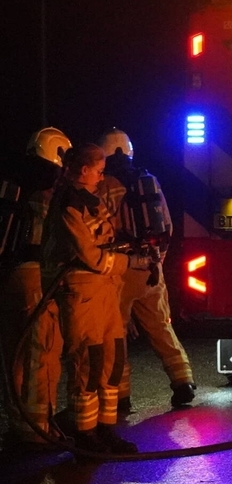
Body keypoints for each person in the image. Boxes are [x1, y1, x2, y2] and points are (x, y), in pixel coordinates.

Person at [45, 143, 140, 454]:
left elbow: (106, 244)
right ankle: (85, 435)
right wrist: (128, 263)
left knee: (112, 358)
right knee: (88, 362)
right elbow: (89, 255)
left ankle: (105, 428)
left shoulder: (91, 200)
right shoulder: (69, 205)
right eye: (98, 171)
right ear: (83, 171)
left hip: (104, 290)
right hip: (83, 292)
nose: (102, 177)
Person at [97, 128, 195, 412]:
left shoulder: (104, 186)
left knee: (115, 335)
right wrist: (157, 262)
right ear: (129, 151)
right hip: (151, 268)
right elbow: (167, 226)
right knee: (162, 327)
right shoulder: (149, 180)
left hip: (120, 270)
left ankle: (121, 397)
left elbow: (102, 234)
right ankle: (183, 382)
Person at [0, 128, 67, 448]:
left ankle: (17, 423)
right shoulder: (49, 188)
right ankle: (37, 428)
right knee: (41, 352)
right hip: (35, 279)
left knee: (13, 352)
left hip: (7, 277)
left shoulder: (13, 180)